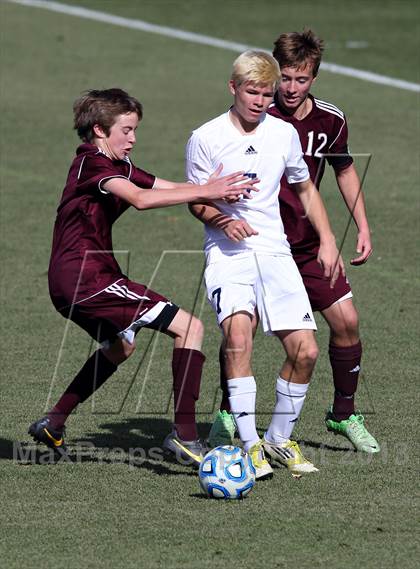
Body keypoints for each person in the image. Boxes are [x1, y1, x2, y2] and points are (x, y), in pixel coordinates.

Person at [28, 88, 256, 466]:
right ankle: (184, 437)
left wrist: (215, 194)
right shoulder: (93, 166)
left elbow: (161, 187)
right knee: (190, 328)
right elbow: (141, 199)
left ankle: (53, 422)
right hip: (86, 279)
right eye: (127, 130)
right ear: (100, 130)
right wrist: (206, 189)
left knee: (121, 347)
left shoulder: (116, 164)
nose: (133, 138)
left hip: (77, 280)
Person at [209, 30, 380, 454]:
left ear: (314, 79)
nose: (288, 89)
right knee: (239, 328)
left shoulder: (330, 121)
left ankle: (343, 415)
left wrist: (360, 225)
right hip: (258, 242)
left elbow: (342, 170)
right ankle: (231, 412)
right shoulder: (254, 116)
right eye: (283, 78)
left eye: (299, 80)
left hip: (305, 244)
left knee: (346, 322)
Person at [187, 51, 344, 478]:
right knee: (239, 339)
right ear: (233, 88)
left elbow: (306, 188)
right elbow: (195, 200)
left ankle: (277, 439)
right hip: (229, 254)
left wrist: (328, 240)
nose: (259, 100)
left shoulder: (283, 134)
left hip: (276, 251)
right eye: (252, 91)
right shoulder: (206, 137)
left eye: (266, 93)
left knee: (306, 350)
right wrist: (222, 219)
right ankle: (250, 445)